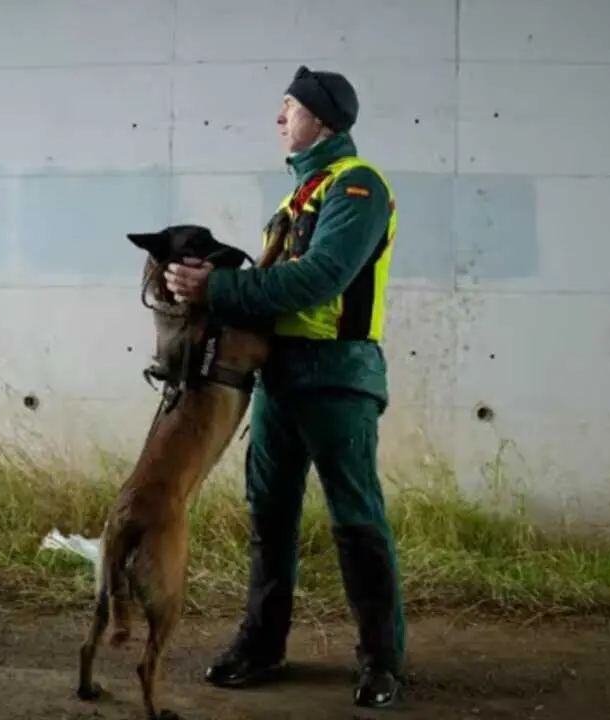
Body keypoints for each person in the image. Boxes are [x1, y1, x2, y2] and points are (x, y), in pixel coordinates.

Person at [162, 65, 407, 709]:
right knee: (269, 517)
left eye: (289, 108)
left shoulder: (358, 187)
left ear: (322, 121)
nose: (278, 119)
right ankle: (262, 647)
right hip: (278, 378)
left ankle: (382, 659)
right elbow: (270, 290)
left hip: (337, 378)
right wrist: (197, 282)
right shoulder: (295, 198)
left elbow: (319, 278)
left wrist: (217, 288)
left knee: (356, 520)